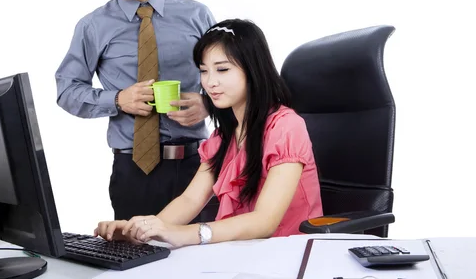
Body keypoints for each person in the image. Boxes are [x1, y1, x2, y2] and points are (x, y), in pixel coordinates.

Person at [94, 19, 324, 247]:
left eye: (222, 69)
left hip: (289, 256)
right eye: (204, 71)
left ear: (253, 70)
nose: (210, 82)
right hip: (241, 255)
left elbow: (265, 222)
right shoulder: (223, 137)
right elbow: (190, 199)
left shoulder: (286, 127)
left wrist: (183, 234)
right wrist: (141, 230)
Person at [55, 0, 217, 222]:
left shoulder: (197, 15)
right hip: (133, 172)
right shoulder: (93, 26)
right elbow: (66, 90)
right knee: (136, 263)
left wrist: (208, 104)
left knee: (202, 261)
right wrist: (117, 99)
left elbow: (234, 82)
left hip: (196, 168)